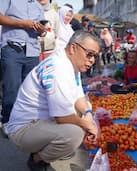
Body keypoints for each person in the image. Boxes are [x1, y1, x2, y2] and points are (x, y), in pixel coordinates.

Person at [6, 31, 100, 171]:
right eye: (90, 54)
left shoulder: (71, 65)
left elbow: (79, 96)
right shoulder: (59, 68)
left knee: (86, 109)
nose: (92, 60)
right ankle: (36, 160)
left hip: (41, 121)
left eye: (95, 56)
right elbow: (62, 117)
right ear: (74, 48)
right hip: (23, 129)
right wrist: (88, 126)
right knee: (74, 134)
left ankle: (50, 148)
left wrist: (88, 114)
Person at [0, 0, 45, 134]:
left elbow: (42, 32)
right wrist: (22, 23)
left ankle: (26, 121)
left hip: (32, 51)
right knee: (11, 87)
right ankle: (8, 122)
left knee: (31, 89)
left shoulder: (38, 6)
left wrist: (41, 30)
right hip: (12, 48)